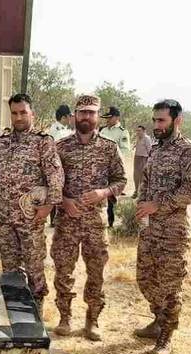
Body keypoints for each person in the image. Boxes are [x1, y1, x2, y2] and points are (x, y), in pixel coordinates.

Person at [51, 95, 126, 341]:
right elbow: (50, 182)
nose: (86, 117)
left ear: (97, 116)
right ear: (75, 115)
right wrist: (64, 201)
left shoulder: (109, 147)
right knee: (64, 271)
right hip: (67, 221)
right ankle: (65, 317)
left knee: (96, 272)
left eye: (91, 112)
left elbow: (121, 180)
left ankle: (92, 320)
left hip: (96, 222)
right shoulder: (60, 147)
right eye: (82, 112)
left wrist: (103, 192)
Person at [134, 99, 191, 354]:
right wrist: (142, 205)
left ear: (177, 121)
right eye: (154, 120)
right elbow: (146, 181)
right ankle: (157, 320)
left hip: (174, 231)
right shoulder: (156, 149)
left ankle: (166, 335)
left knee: (170, 284)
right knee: (145, 278)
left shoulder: (190, 152)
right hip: (150, 229)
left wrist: (158, 204)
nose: (157, 125)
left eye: (162, 120)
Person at [0, 93, 64, 309]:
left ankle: (37, 310)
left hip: (32, 218)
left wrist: (48, 206)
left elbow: (55, 176)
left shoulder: (43, 142)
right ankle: (14, 309)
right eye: (14, 113)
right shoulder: (2, 143)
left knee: (34, 266)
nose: (19, 117)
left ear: (32, 114)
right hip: (7, 218)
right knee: (10, 269)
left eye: (23, 112)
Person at [99, 106, 130, 227]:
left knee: (111, 194)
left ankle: (111, 222)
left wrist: (114, 158)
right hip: (100, 166)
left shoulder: (122, 132)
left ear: (117, 117)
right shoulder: (102, 130)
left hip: (113, 167)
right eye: (106, 118)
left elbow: (125, 150)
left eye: (110, 117)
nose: (107, 120)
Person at [132, 125, 153, 198]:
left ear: (144, 131)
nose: (138, 132)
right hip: (137, 157)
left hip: (144, 158)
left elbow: (150, 150)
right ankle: (136, 191)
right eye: (137, 131)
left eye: (139, 131)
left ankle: (142, 193)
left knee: (142, 176)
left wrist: (149, 161)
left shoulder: (147, 139)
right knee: (136, 175)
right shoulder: (138, 138)